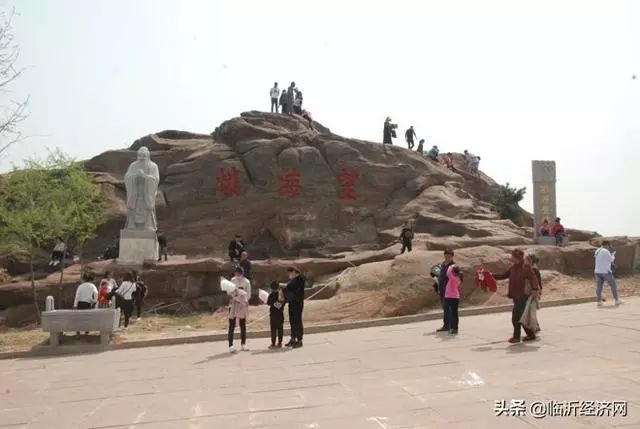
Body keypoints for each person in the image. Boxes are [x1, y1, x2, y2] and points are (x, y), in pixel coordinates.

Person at [493, 249, 540, 343]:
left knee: (516, 317)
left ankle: (517, 337)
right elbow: (504, 276)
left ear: (517, 257)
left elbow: (533, 278)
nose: (511, 258)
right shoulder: (513, 268)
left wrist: (535, 290)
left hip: (523, 296)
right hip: (516, 296)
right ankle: (530, 335)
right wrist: (491, 276)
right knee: (520, 317)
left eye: (513, 256)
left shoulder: (525, 267)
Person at [228, 270, 249, 353]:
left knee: (242, 325)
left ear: (242, 274)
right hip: (233, 304)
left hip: (242, 305)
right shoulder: (232, 280)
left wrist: (243, 299)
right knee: (232, 325)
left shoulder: (247, 282)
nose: (237, 275)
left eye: (239, 274)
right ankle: (231, 345)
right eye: (236, 273)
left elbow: (248, 294)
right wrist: (235, 296)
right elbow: (229, 292)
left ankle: (243, 344)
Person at [595, 240, 621, 307]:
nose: (609, 247)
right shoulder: (606, 251)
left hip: (597, 271)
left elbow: (602, 259)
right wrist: (613, 255)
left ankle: (599, 302)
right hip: (605, 271)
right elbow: (611, 260)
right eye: (609, 246)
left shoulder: (597, 250)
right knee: (613, 285)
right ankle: (617, 300)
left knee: (599, 287)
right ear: (607, 245)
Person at [285, 266, 306, 348]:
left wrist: (287, 287)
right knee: (292, 321)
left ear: (294, 272)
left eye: (290, 273)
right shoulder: (293, 280)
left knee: (297, 321)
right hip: (292, 303)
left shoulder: (300, 279)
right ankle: (293, 338)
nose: (289, 275)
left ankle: (299, 340)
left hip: (297, 304)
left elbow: (293, 289)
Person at [436, 249, 456, 332]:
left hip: (449, 290)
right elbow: (441, 276)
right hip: (442, 289)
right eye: (445, 255)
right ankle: (446, 325)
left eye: (448, 255)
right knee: (445, 308)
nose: (447, 257)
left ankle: (452, 325)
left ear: (452, 256)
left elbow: (456, 279)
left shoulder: (453, 266)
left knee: (449, 308)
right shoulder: (443, 264)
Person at [444, 265, 462, 335]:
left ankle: (455, 328)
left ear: (453, 272)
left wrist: (451, 266)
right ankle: (452, 327)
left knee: (453, 314)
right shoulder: (457, 278)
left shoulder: (453, 278)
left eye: (452, 271)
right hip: (452, 297)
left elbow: (448, 272)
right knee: (452, 313)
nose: (451, 272)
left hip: (452, 297)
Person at [267, 281, 285, 349]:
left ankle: (273, 343)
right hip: (280, 314)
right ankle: (280, 343)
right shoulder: (281, 295)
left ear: (271, 288)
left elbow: (268, 303)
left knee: (273, 329)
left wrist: (273, 304)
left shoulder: (271, 295)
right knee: (280, 329)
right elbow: (282, 303)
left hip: (273, 314)